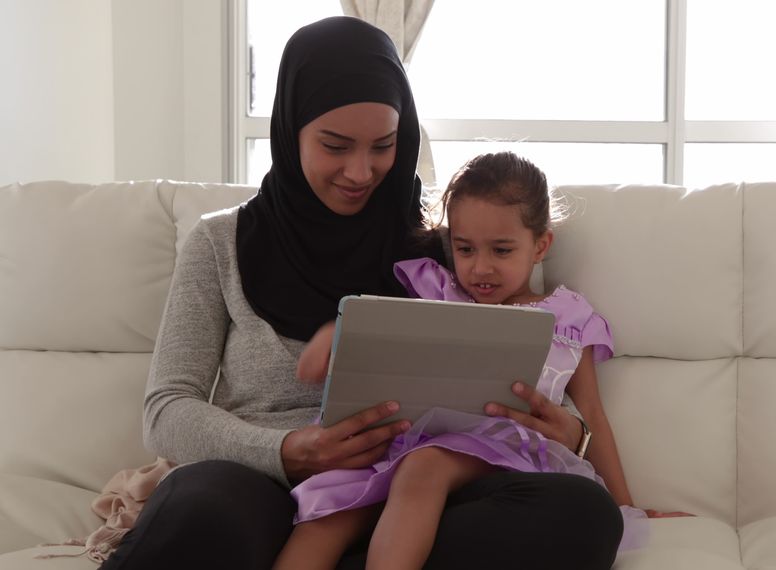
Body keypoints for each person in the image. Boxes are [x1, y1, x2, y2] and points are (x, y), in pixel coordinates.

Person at [100, 17, 623, 570]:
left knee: (582, 514)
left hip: (425, 492)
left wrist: (574, 433)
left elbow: (532, 378)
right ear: (291, 127)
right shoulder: (219, 242)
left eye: (383, 146)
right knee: (199, 512)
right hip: (267, 486)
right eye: (335, 145)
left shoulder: (457, 247)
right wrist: (285, 452)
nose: (360, 170)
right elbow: (167, 408)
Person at [274, 152, 657, 570]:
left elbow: (593, 416)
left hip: (506, 449)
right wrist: (334, 336)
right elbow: (383, 334)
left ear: (540, 245)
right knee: (327, 513)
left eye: (502, 250)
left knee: (426, 467)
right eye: (465, 248)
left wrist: (627, 505)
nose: (480, 268)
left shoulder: (567, 317)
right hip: (411, 441)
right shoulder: (437, 292)